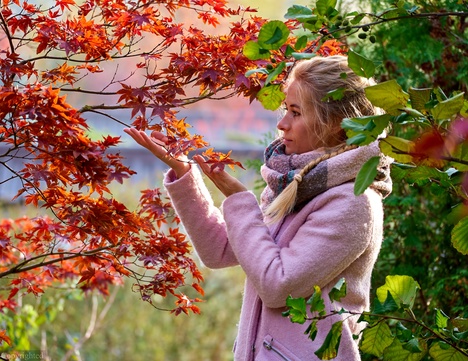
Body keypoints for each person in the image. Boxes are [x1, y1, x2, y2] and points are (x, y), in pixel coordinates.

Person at [124, 55, 392, 361]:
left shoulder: (354, 202)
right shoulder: (295, 184)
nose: (282, 124)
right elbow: (220, 249)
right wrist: (185, 173)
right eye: (285, 111)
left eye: (295, 112)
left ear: (333, 124)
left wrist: (239, 200)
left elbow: (278, 285)